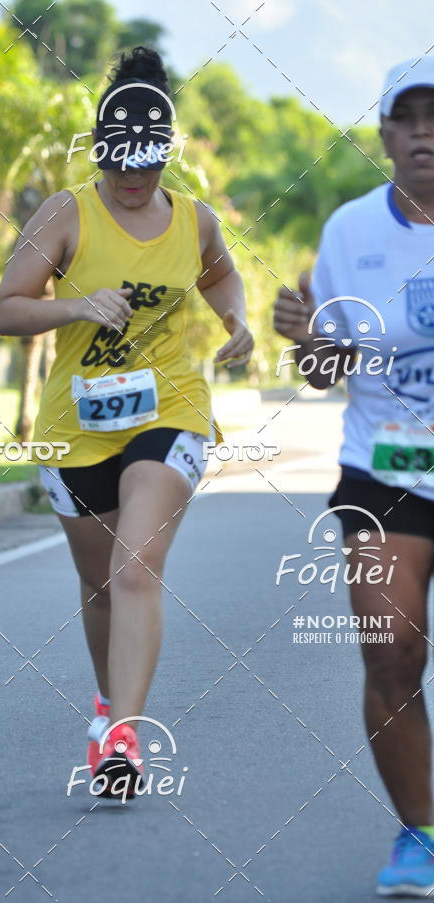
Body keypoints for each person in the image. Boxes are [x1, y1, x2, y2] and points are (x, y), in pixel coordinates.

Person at [0, 46, 253, 798]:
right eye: (116, 164)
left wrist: (234, 319)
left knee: (135, 566)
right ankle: (109, 700)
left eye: (144, 164)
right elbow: (7, 309)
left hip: (169, 409)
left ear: (166, 156)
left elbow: (221, 269)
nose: (129, 179)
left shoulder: (193, 220)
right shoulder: (66, 212)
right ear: (100, 154)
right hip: (77, 425)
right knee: (100, 583)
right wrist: (74, 303)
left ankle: (123, 740)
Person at [274, 57, 434, 896]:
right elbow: (322, 369)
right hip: (386, 467)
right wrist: (307, 335)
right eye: (408, 118)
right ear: (385, 135)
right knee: (392, 650)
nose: (424, 133)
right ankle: (424, 834)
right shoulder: (349, 232)